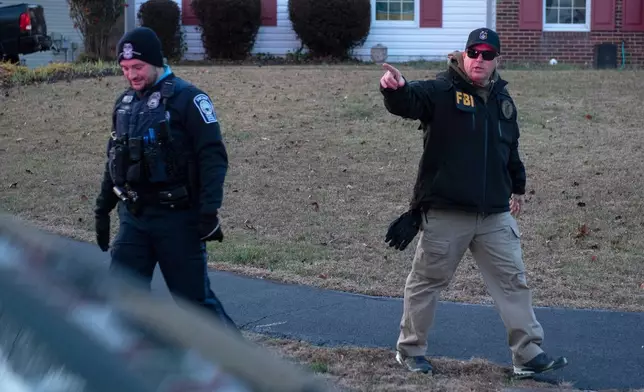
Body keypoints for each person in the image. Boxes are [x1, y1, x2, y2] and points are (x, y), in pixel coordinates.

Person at [379, 28, 568, 378]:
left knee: (513, 283)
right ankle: (410, 350)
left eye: (487, 54)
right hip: (447, 211)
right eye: (473, 52)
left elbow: (509, 149)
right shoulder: (441, 90)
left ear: (497, 59)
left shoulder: (502, 100)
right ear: (464, 54)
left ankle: (527, 355)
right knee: (426, 283)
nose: (479, 59)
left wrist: (518, 188)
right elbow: (410, 101)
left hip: (495, 214)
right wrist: (396, 89)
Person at [93, 27, 237, 331]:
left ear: (157, 62)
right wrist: (102, 208)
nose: (131, 75)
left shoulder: (190, 99)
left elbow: (213, 158)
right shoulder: (124, 104)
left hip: (178, 219)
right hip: (134, 217)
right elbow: (114, 158)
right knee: (122, 298)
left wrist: (209, 211)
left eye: (138, 67)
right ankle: (136, 367)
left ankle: (245, 370)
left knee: (195, 305)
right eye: (125, 68)